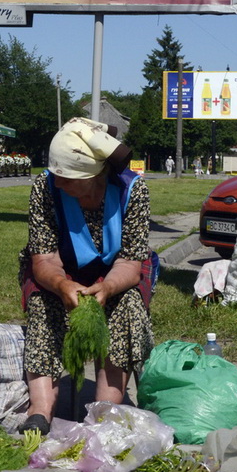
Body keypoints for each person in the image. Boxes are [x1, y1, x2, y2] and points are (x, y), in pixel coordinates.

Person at [18, 118, 154, 435]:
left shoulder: (132, 191)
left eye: (67, 178)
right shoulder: (46, 188)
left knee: (126, 307)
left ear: (94, 175)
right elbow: (44, 256)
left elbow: (130, 262)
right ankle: (40, 410)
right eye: (56, 175)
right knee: (42, 305)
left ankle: (104, 415)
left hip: (115, 276)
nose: (59, 183)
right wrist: (63, 284)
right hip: (61, 272)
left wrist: (106, 287)